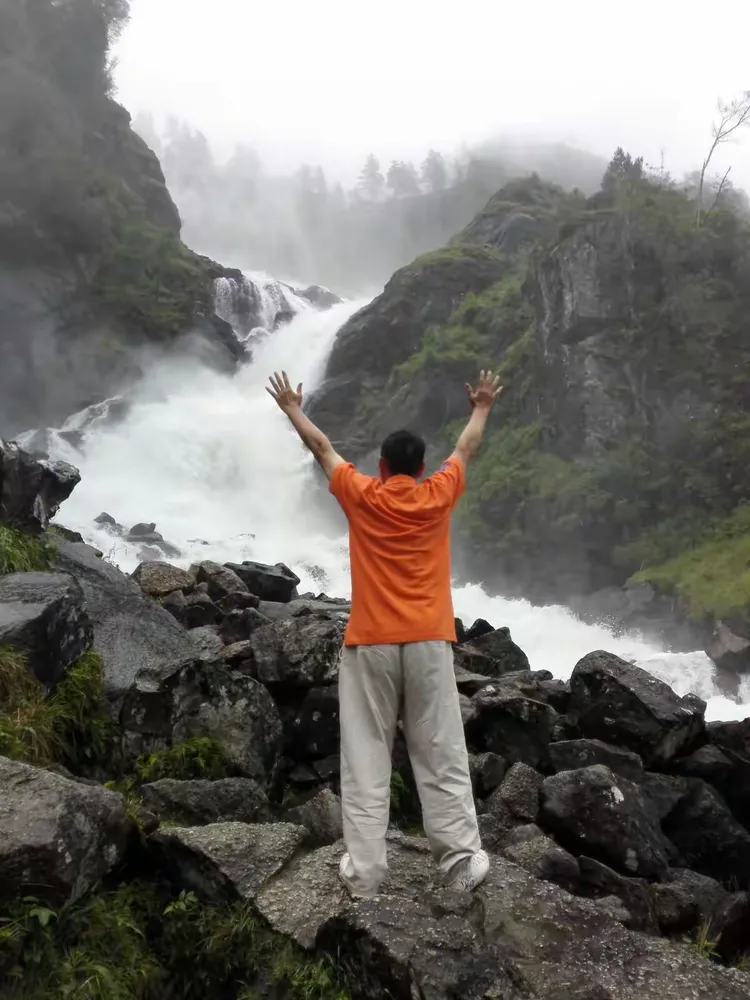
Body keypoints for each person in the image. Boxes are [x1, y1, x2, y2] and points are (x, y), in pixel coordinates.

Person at [266, 368, 503, 897]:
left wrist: (292, 408)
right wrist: (482, 406)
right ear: (420, 468)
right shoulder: (438, 493)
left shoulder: (362, 495)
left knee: (366, 754)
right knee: (440, 749)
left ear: (382, 466)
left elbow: (322, 448)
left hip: (370, 641)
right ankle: (460, 862)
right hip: (428, 641)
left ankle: (366, 873)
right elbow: (466, 448)